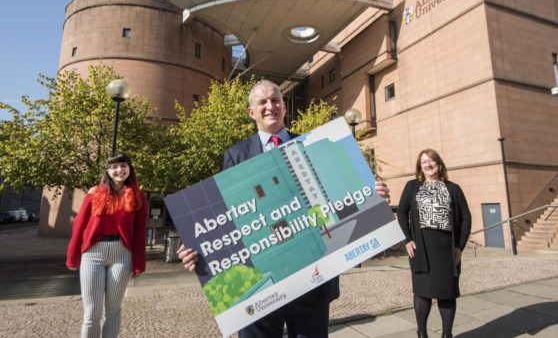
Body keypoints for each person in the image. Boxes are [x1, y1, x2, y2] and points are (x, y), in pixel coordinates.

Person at [178, 79, 391, 338]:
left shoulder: (314, 146)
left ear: (284, 106)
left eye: (275, 100)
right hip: (262, 278)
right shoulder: (236, 155)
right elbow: (226, 217)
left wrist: (371, 195)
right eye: (262, 102)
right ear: (251, 112)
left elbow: (337, 193)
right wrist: (197, 247)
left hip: (312, 273)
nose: (270, 106)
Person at [67, 153, 148, 338]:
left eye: (123, 165)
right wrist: (72, 255)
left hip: (121, 254)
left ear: (130, 168)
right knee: (92, 313)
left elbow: (140, 233)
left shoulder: (138, 196)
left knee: (113, 311)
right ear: (108, 170)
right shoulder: (94, 192)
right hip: (93, 254)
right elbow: (79, 226)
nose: (119, 170)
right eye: (114, 167)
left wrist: (138, 264)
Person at [396, 149, 471, 338]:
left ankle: (447, 334)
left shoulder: (453, 188)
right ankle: (422, 333)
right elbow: (402, 213)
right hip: (421, 247)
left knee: (447, 292)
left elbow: (466, 217)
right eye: (423, 162)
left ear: (439, 164)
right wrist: (407, 239)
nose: (428, 164)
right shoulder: (412, 186)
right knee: (422, 292)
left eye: (431, 161)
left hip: (447, 248)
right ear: (419, 167)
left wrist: (460, 247)